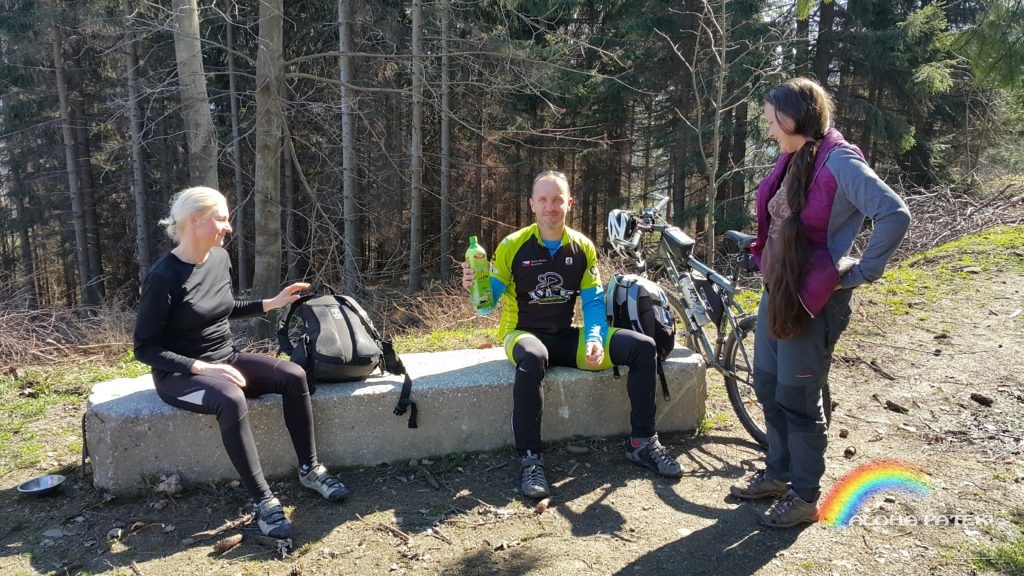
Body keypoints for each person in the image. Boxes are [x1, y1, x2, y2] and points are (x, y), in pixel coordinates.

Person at [730, 78, 911, 527]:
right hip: (778, 294)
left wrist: (862, 271)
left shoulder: (840, 161)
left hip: (812, 303)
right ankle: (778, 475)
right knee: (767, 387)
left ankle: (805, 496)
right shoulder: (795, 156)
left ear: (795, 117)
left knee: (798, 399)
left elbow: (894, 213)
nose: (770, 131)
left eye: (773, 122)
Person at [134, 186, 348, 539]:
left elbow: (220, 308)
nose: (228, 227)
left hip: (226, 358)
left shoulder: (219, 258)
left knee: (293, 375)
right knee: (230, 398)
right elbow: (144, 348)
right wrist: (200, 367)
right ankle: (262, 500)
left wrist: (270, 303)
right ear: (195, 220)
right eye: (221, 218)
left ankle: (310, 470)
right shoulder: (162, 278)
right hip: (178, 376)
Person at [461, 171, 683, 499]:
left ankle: (642, 443)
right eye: (543, 199)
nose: (550, 206)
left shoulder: (582, 246)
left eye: (557, 199)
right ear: (532, 204)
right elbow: (486, 304)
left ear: (569, 203)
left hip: (566, 338)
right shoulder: (512, 245)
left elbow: (592, 302)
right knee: (534, 357)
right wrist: (474, 287)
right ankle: (530, 459)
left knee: (643, 347)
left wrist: (593, 339)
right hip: (522, 335)